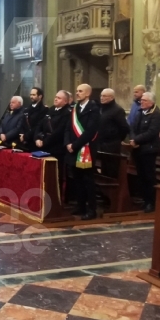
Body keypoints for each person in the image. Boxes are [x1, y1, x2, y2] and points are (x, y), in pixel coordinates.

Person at [65, 83, 99, 219]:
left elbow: (90, 131)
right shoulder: (74, 109)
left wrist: (75, 145)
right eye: (77, 90)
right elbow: (68, 128)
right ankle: (80, 206)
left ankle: (91, 209)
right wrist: (67, 143)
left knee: (88, 181)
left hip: (86, 150)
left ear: (87, 93)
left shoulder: (94, 109)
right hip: (73, 149)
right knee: (77, 179)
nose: (77, 93)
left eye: (80, 91)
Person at [129, 91, 160, 213]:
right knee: (141, 176)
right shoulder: (140, 113)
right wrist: (133, 139)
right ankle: (145, 199)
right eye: (141, 100)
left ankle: (151, 202)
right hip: (138, 149)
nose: (141, 102)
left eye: (144, 101)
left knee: (149, 177)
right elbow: (132, 128)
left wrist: (136, 140)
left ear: (151, 102)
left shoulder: (156, 115)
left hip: (149, 150)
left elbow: (152, 132)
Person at [35, 90, 72, 199]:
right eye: (56, 97)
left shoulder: (67, 113)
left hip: (57, 148)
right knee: (44, 175)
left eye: (59, 98)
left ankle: (56, 199)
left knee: (56, 175)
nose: (55, 99)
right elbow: (39, 125)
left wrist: (44, 142)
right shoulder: (50, 110)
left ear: (65, 101)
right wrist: (37, 137)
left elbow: (59, 132)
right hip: (44, 146)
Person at [96, 88, 130, 156]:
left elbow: (124, 128)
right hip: (100, 143)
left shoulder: (118, 110)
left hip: (111, 145)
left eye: (104, 96)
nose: (102, 98)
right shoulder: (100, 108)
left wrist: (117, 140)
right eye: (101, 96)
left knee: (110, 165)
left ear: (111, 97)